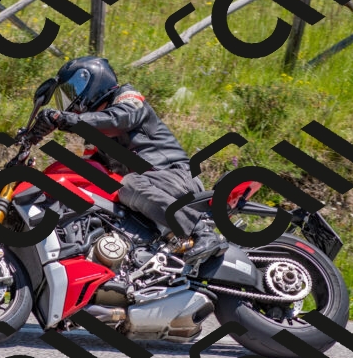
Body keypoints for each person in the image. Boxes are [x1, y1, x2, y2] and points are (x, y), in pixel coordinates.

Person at [26, 56, 224, 264]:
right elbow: (88, 172)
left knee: (128, 185)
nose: (70, 101)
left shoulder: (128, 99)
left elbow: (117, 120)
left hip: (174, 177)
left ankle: (203, 233)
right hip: (149, 192)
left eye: (74, 90)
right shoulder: (94, 137)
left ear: (94, 80)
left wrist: (64, 119)